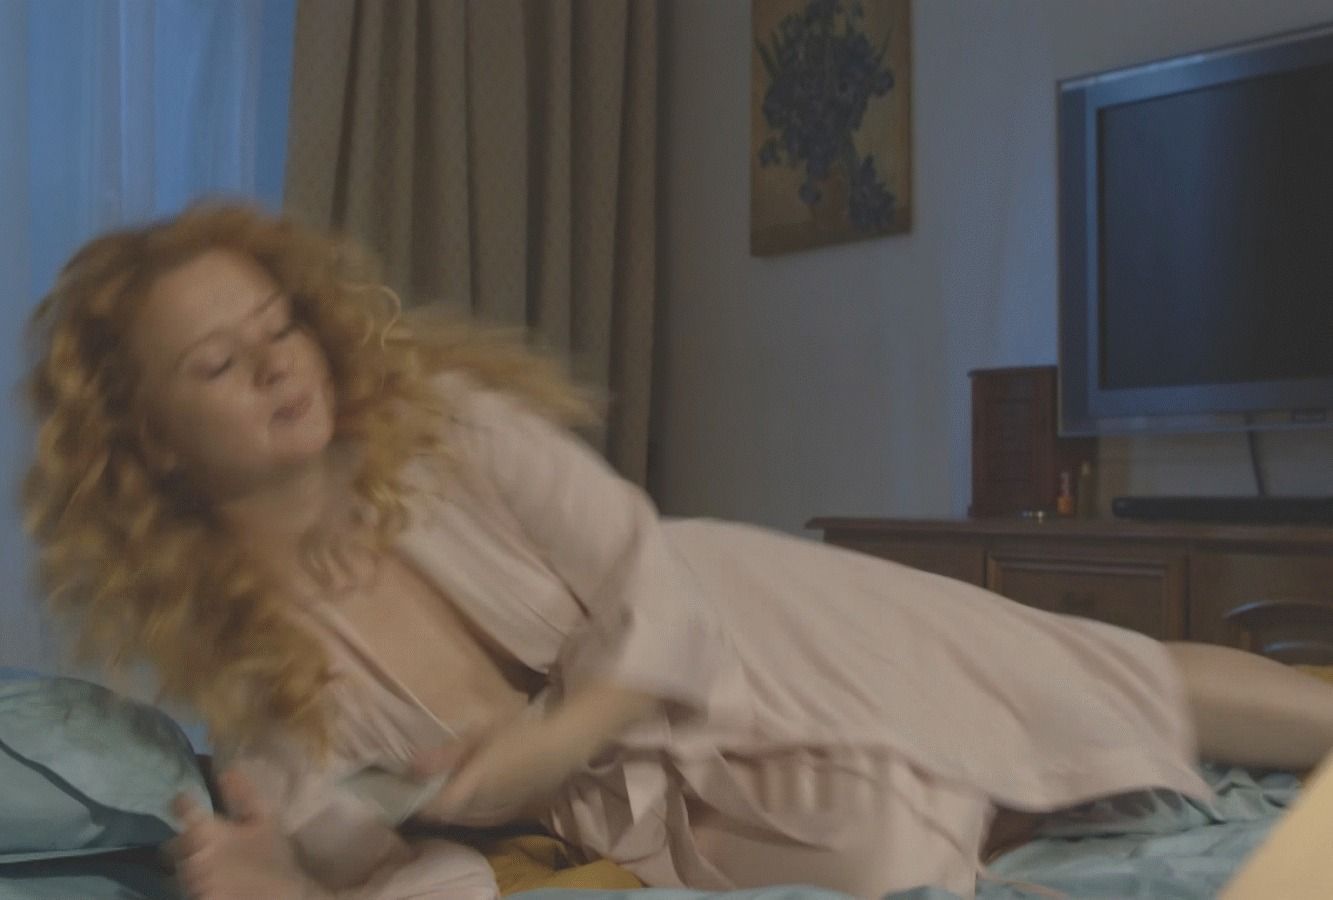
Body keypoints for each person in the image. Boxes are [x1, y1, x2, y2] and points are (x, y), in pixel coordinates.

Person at [22, 202, 1333, 900]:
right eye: (217, 363)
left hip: (728, 613)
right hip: (652, 786)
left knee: (1080, 678)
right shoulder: (251, 667)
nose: (274, 365)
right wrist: (287, 886)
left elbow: (646, 580)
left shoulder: (445, 430)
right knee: (889, 856)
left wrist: (543, 743)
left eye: (277, 327)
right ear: (152, 442)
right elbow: (382, 855)